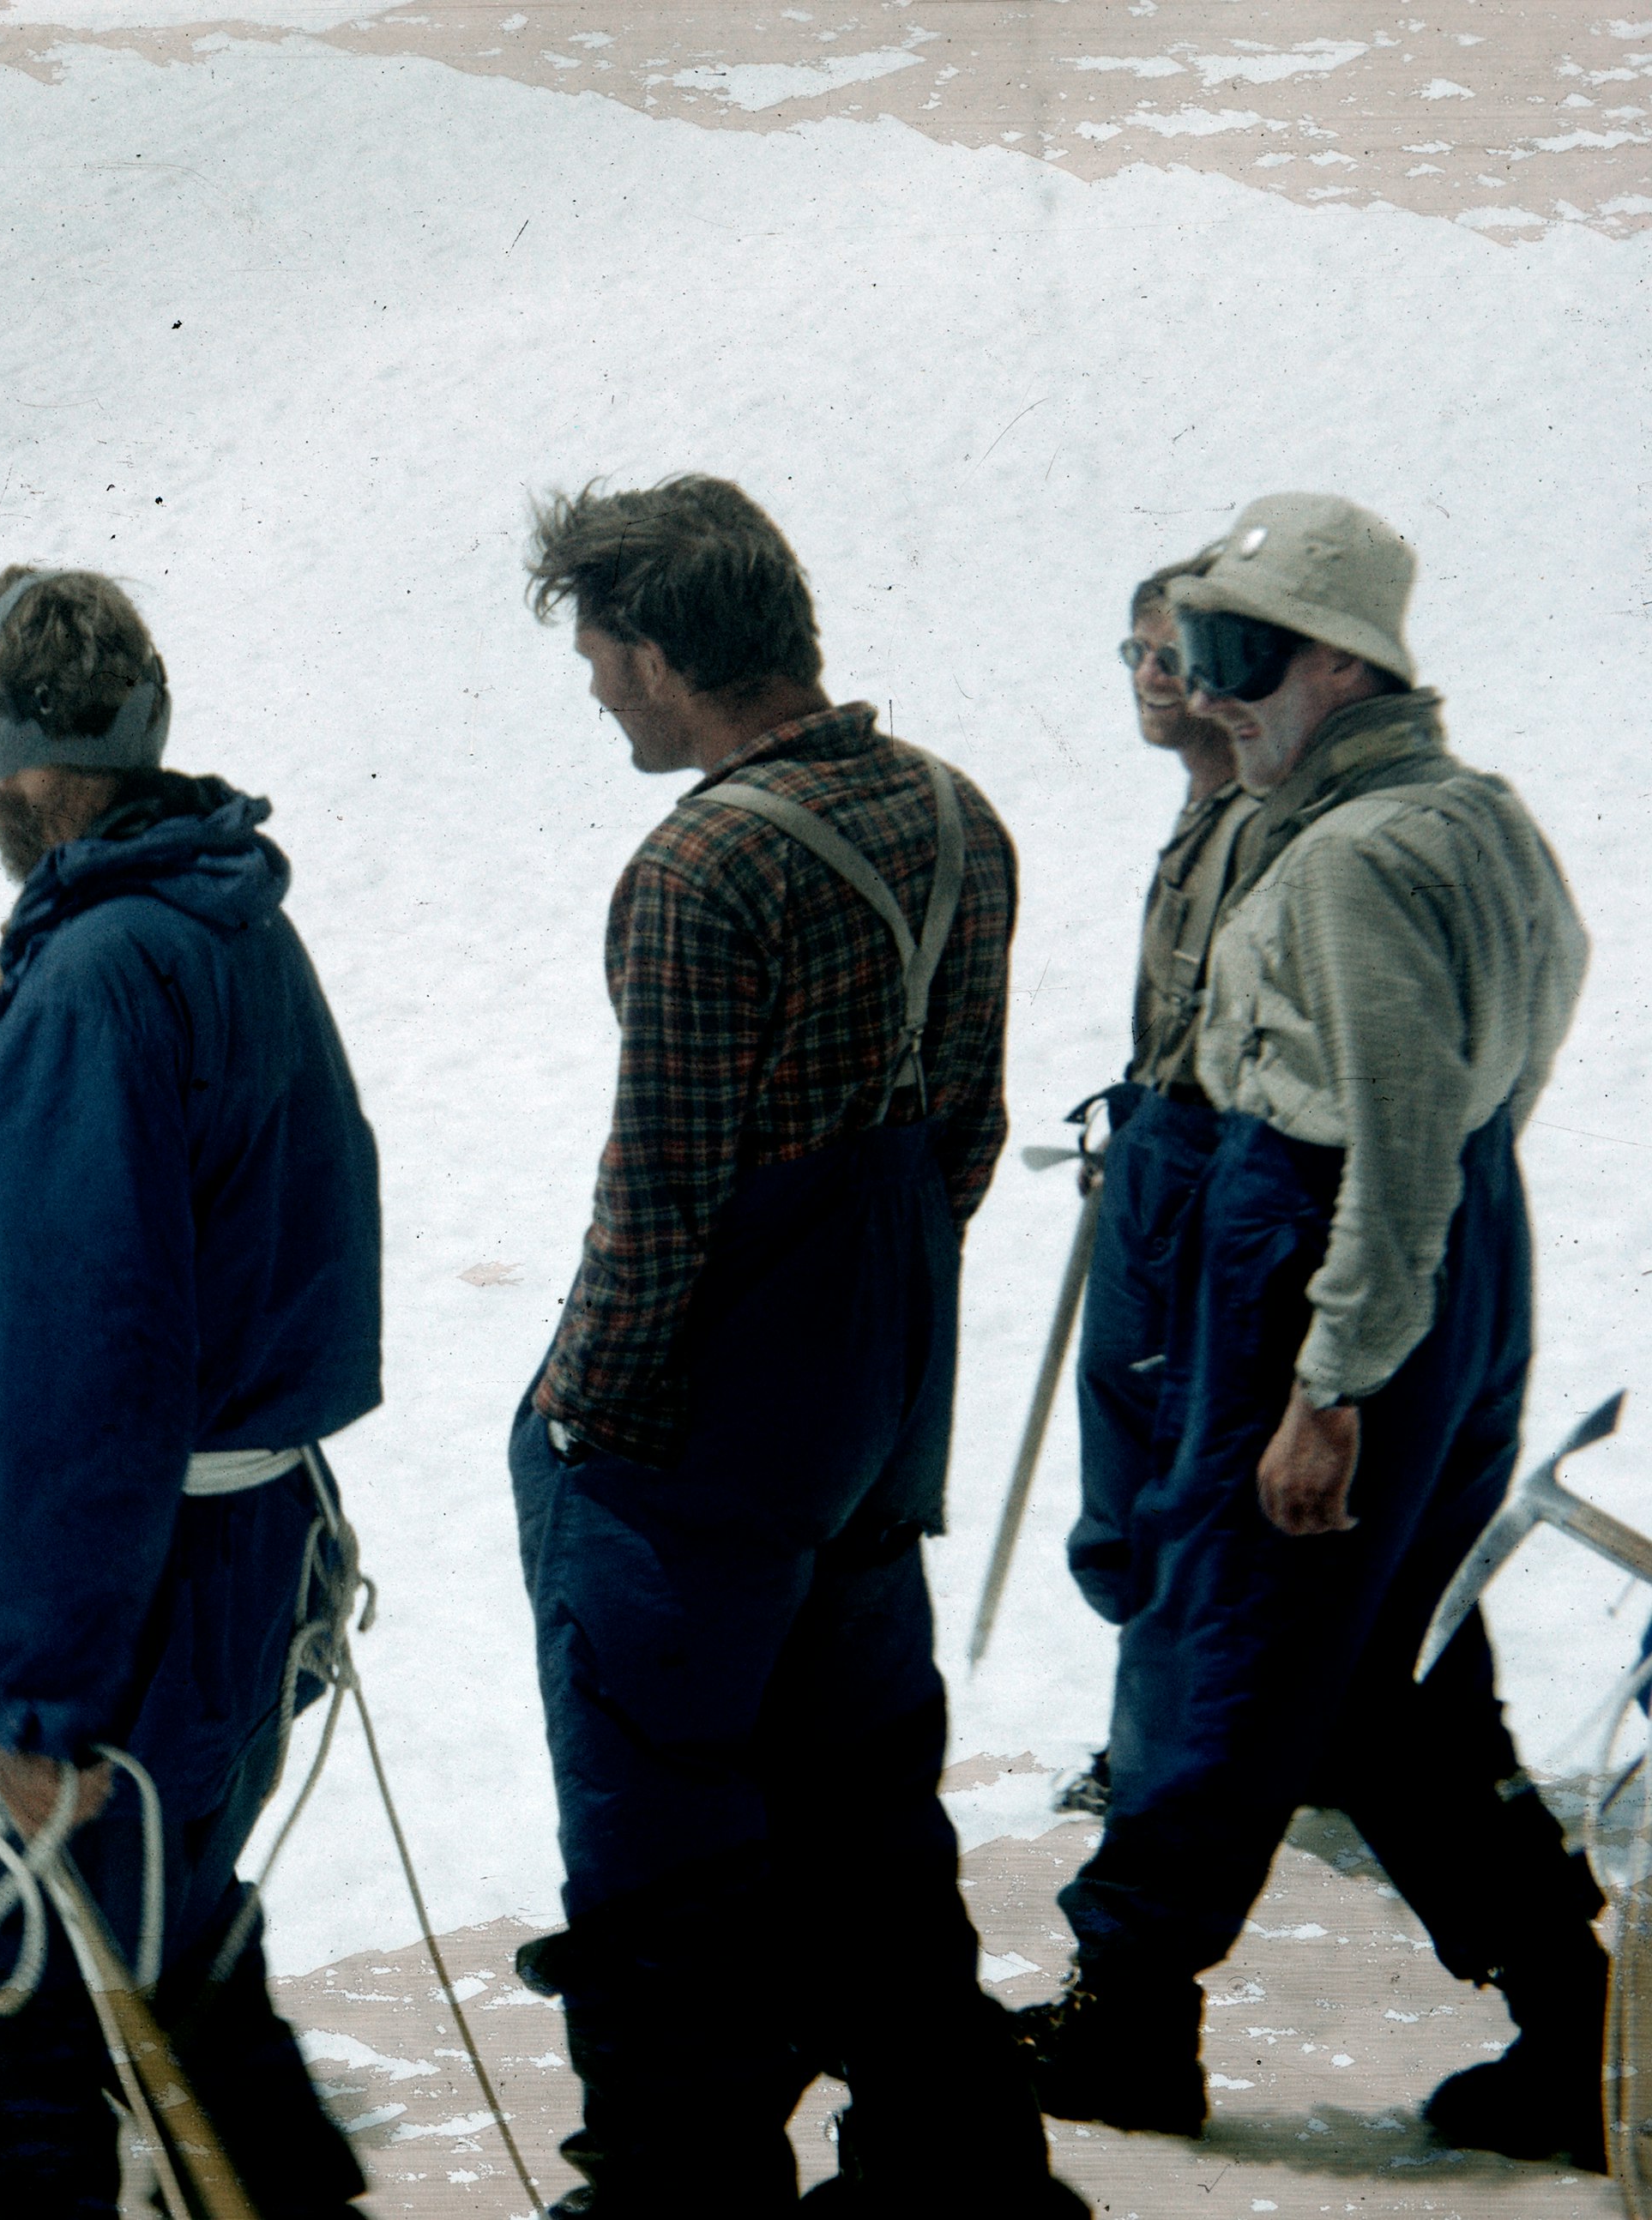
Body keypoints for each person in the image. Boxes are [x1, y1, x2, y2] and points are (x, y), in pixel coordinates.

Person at [504, 475, 1082, 2214]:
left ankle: (684, 2187)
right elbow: (966, 1132)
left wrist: (579, 1418)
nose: (600, 687)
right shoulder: (958, 813)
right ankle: (953, 2165)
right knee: (864, 1796)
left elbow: (664, 1200)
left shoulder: (701, 864)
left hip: (706, 1432)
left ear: (668, 654)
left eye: (605, 655)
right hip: (879, 1398)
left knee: (661, 1818)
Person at [1018, 493, 1604, 2169]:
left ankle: (1130, 2009)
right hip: (1437, 1245)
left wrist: (1332, 1377)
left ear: (1339, 667)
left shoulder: (1343, 856)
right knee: (1396, 1666)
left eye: (1234, 657)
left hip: (1333, 1247)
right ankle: (1579, 2010)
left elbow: (1397, 1127)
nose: (1206, 691)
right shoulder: (1470, 810)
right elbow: (1517, 1042)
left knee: (1239, 1622)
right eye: (1191, 650)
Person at [0, 566, 383, 2217]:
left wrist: (42, 1703)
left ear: (6, 760)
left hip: (99, 1597)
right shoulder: (226, 913)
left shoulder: (93, 973)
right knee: (166, 1931)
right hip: (232, 1573)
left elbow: (93, 1371)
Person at [1055, 552, 1258, 1806]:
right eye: (1133, 651)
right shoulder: (1202, 809)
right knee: (1137, 1463)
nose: (1149, 677)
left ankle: (1168, 1757)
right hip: (1160, 1153)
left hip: (1213, 1170)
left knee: (1181, 1470)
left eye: (1172, 655)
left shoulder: (1263, 822)